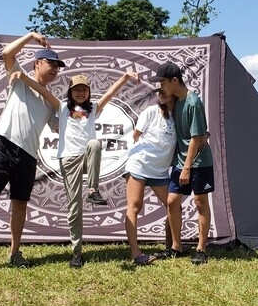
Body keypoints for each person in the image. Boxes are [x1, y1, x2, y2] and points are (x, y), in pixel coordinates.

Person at [0, 32, 64, 275]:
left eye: (58, 67)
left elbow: (58, 126)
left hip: (28, 154)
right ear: (37, 63)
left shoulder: (49, 101)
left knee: (20, 204)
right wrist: (31, 35)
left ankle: (15, 252)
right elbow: (6, 53)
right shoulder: (18, 79)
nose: (55, 70)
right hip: (3, 144)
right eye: (51, 64)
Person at [54, 71, 139, 268]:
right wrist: (23, 78)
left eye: (84, 89)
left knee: (94, 143)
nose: (81, 93)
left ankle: (93, 190)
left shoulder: (93, 109)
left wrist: (125, 78)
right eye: (77, 89)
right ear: (70, 91)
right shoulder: (61, 107)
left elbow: (110, 93)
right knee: (74, 207)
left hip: (87, 157)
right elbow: (43, 92)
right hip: (68, 159)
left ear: (89, 92)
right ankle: (77, 252)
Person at [148, 61, 214, 265]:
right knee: (172, 201)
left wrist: (187, 168)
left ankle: (201, 249)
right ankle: (176, 247)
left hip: (199, 162)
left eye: (163, 83)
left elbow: (196, 138)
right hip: (180, 161)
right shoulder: (175, 100)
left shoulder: (193, 102)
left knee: (200, 202)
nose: (161, 88)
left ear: (175, 80)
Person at [122, 88, 177, 266]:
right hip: (139, 164)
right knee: (135, 206)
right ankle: (135, 253)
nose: (161, 93)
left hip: (160, 171)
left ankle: (171, 247)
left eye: (165, 90)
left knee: (172, 206)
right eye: (159, 91)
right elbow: (136, 135)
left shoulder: (179, 116)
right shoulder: (151, 111)